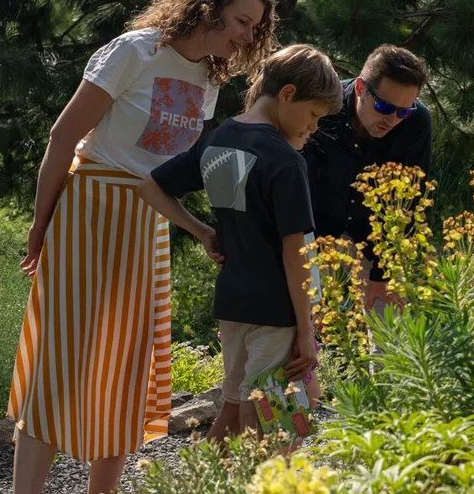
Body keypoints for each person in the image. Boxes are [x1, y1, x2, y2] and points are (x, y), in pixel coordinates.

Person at [5, 0, 277, 494]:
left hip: (147, 225)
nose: (245, 35)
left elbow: (190, 166)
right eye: (240, 20)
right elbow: (62, 137)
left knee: (129, 371)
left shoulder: (209, 77)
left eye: (254, 27)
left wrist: (215, 229)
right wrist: (41, 223)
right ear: (206, 6)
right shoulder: (134, 51)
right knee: (60, 365)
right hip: (88, 209)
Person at [137, 45, 341, 443]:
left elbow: (150, 187)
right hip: (276, 312)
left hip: (232, 305)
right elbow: (294, 251)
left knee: (236, 406)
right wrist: (306, 330)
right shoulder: (284, 160)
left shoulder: (219, 139)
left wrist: (201, 231)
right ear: (287, 95)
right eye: (314, 114)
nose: (314, 127)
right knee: (275, 417)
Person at [301, 45, 433, 310]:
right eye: (384, 106)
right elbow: (294, 184)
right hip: (314, 226)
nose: (393, 120)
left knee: (390, 323)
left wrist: (382, 275)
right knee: (297, 320)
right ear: (360, 88)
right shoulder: (323, 108)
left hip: (376, 232)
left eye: (404, 111)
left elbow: (409, 202)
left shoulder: (416, 124)